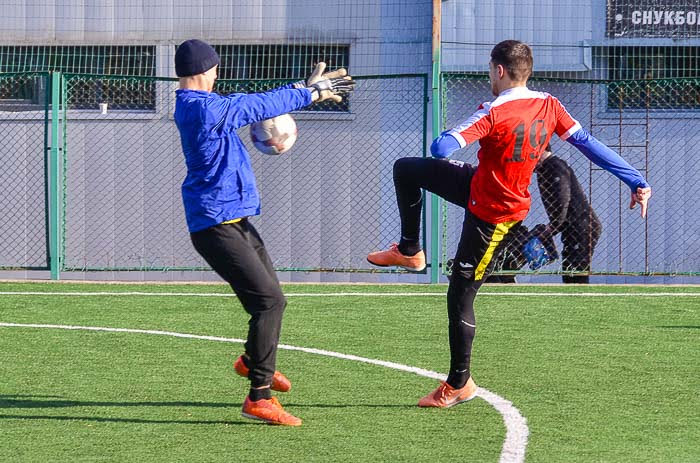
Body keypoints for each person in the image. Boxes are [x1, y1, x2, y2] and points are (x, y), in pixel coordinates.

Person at [367, 40, 651, 408]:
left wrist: (455, 134)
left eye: (489, 70)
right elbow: (587, 143)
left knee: (460, 295)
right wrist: (636, 180)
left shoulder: (494, 110)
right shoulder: (549, 104)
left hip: (495, 213)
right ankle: (410, 250)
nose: (490, 76)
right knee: (407, 168)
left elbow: (442, 148)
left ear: (499, 70)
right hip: (479, 184)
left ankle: (458, 384)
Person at [173, 39, 354, 426]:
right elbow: (250, 107)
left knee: (275, 300)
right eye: (217, 68)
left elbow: (247, 103)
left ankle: (254, 361)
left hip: (232, 219)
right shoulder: (199, 109)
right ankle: (259, 396)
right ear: (208, 70)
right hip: (213, 225)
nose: (218, 74)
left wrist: (298, 92)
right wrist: (306, 93)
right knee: (267, 303)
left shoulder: (207, 106)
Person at [533, 144, 603, 283]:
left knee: (575, 270)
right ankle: (577, 296)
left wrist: (552, 227)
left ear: (540, 150)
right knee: (571, 268)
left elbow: (562, 200)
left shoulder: (554, 166)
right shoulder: (546, 168)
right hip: (574, 225)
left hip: (581, 225)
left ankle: (580, 300)